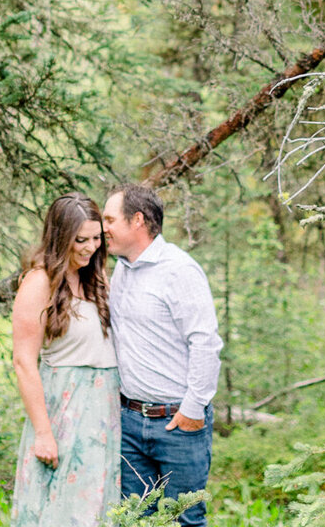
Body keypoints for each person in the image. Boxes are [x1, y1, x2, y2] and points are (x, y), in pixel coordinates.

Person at [103, 183, 222, 527]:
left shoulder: (179, 271)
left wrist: (192, 409)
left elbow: (205, 343)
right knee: (135, 519)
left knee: (185, 520)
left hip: (177, 423)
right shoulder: (122, 268)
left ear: (137, 220)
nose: (103, 227)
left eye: (110, 219)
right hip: (129, 422)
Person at [11, 193, 121, 527]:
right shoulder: (39, 282)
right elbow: (23, 361)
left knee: (98, 506)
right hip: (65, 408)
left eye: (96, 238)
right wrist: (44, 432)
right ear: (61, 238)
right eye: (81, 240)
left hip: (105, 409)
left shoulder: (96, 277)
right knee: (61, 508)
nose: (90, 247)